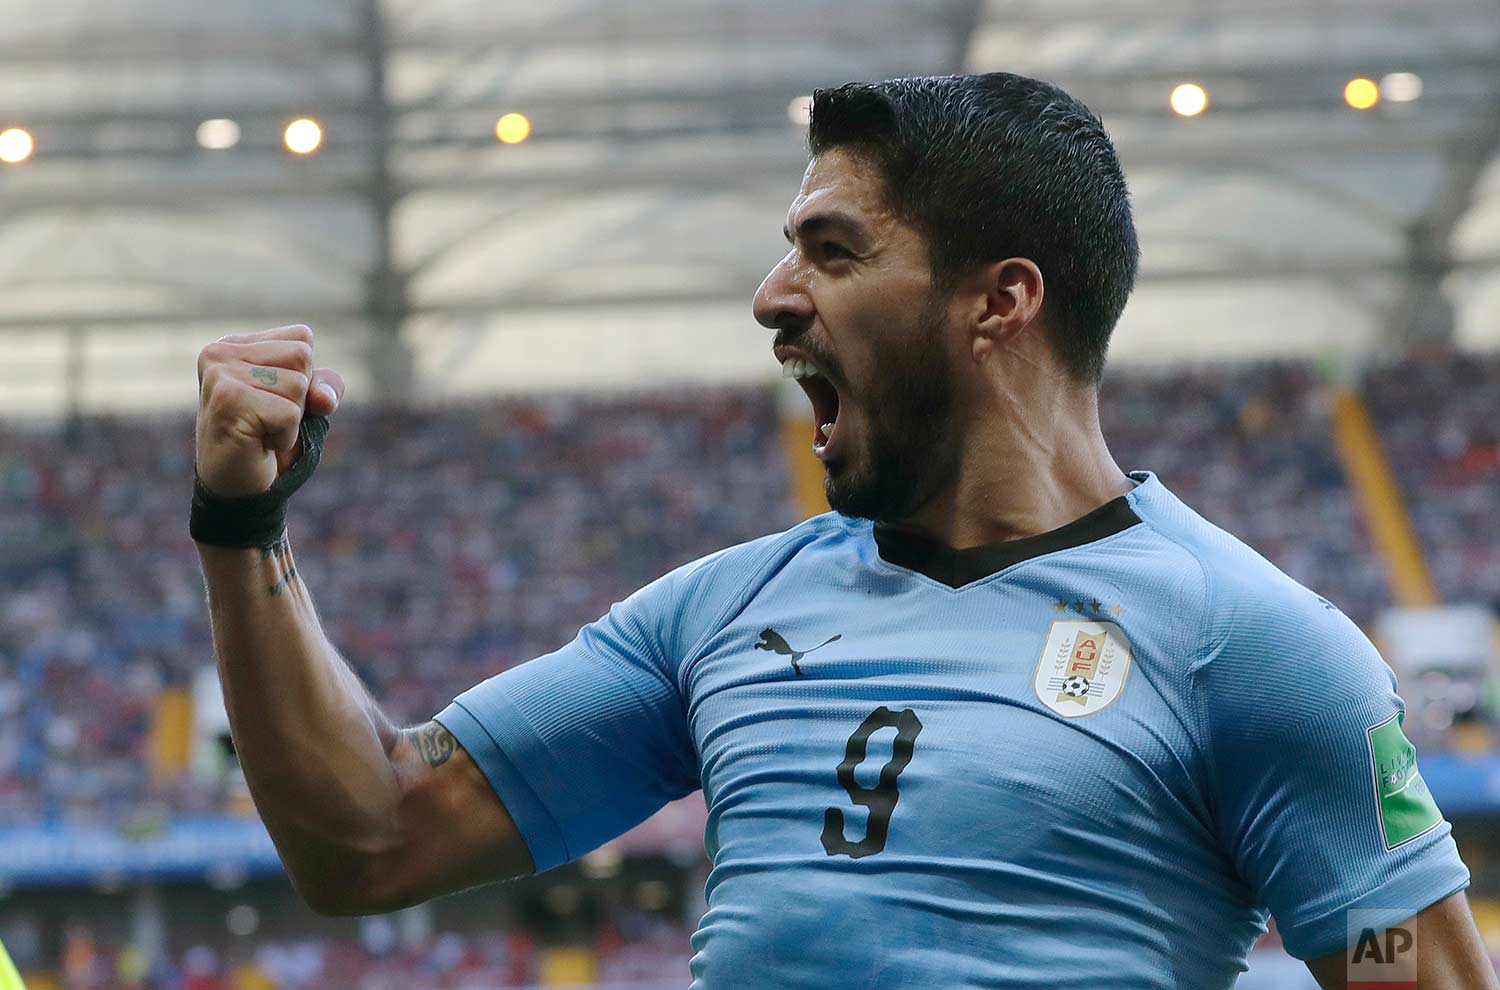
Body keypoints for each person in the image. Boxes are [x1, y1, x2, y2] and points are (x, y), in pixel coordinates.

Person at [190, 74, 1497, 989]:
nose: (772, 296)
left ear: (1000, 303)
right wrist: (243, 524)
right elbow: (371, 834)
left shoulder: (1250, 645)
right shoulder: (715, 615)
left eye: (832, 248)